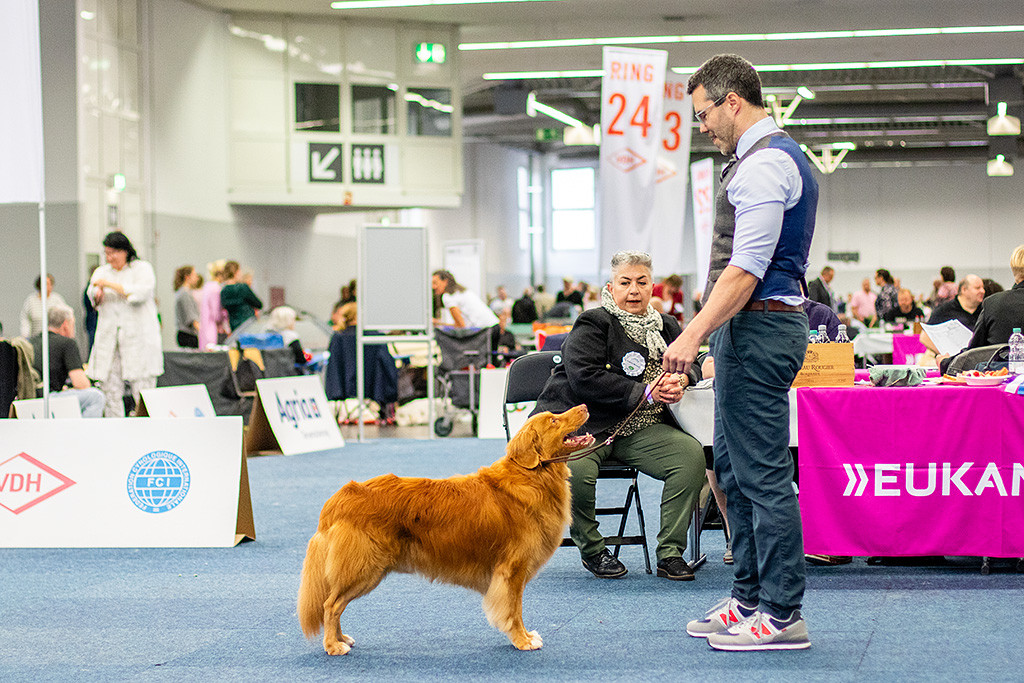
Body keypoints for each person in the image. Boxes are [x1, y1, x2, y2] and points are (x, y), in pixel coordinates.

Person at [663, 54, 817, 651]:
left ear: (733, 102)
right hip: (744, 333)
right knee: (730, 468)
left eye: (704, 113)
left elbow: (746, 268)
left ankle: (782, 613)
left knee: (763, 475)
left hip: (759, 328)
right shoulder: (757, 162)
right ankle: (749, 596)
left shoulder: (765, 164)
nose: (701, 125)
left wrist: (692, 333)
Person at [533, 250, 705, 582]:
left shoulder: (667, 325)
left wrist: (683, 378)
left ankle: (670, 553)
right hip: (588, 425)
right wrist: (645, 392)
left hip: (641, 428)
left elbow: (694, 360)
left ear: (653, 286)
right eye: (625, 282)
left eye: (642, 282)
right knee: (576, 472)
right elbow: (584, 376)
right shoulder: (594, 322)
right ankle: (593, 549)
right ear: (611, 288)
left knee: (690, 458)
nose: (633, 290)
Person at [86, 231, 163, 417]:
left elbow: (138, 294)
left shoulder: (142, 269)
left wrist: (110, 285)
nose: (110, 257)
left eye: (114, 252)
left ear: (125, 251)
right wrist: (98, 293)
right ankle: (116, 430)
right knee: (110, 389)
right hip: (110, 340)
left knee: (143, 389)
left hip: (139, 340)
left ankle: (148, 429)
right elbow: (92, 295)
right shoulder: (102, 272)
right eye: (107, 253)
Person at [29, 304, 104, 417]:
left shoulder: (31, 341)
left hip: (29, 398)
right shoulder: (67, 343)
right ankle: (86, 434)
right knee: (96, 397)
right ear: (65, 325)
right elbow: (81, 384)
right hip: (48, 399)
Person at [967, 245, 1024, 348]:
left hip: (1003, 364)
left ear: (1013, 269)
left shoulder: (992, 303)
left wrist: (945, 361)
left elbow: (973, 351)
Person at [920, 274, 985, 355]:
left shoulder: (985, 311)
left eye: (983, 288)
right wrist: (947, 355)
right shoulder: (944, 310)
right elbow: (924, 337)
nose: (982, 291)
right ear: (964, 289)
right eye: (977, 288)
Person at [430, 270, 499, 329]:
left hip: (484, 330)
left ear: (445, 281)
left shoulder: (448, 297)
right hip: (494, 325)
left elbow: (460, 325)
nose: (433, 287)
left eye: (435, 283)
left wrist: (438, 324)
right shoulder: (461, 291)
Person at [20, 274, 69, 338]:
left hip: (54, 338)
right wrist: (25, 337)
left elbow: (67, 318)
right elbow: (25, 320)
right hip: (36, 338)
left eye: (50, 284)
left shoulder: (57, 300)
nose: (48, 287)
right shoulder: (30, 300)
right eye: (45, 284)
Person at [220, 260, 263, 331]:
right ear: (236, 273)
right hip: (248, 324)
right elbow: (259, 304)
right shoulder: (242, 288)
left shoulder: (223, 291)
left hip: (234, 326)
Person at [198, 259, 228, 349]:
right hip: (212, 331)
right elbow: (216, 315)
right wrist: (225, 314)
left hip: (205, 329)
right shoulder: (216, 289)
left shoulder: (207, 286)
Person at [173, 265, 201, 348]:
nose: (197, 278)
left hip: (185, 334)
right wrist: (203, 333)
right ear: (187, 277)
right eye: (194, 275)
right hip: (188, 335)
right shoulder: (185, 294)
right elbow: (191, 317)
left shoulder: (183, 292)